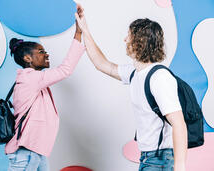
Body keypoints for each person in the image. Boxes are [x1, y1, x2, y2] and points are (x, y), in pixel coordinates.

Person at [75, 5, 187, 171]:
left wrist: (180, 167)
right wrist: (85, 30)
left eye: (128, 35)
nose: (125, 40)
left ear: (139, 41)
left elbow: (179, 123)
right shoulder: (136, 73)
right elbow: (102, 64)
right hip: (149, 157)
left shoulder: (159, 78)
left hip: (160, 158)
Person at [5, 7, 85, 171]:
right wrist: (78, 33)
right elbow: (65, 70)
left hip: (36, 152)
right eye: (41, 52)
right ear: (28, 58)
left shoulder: (33, 79)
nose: (47, 54)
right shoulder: (30, 78)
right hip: (26, 153)